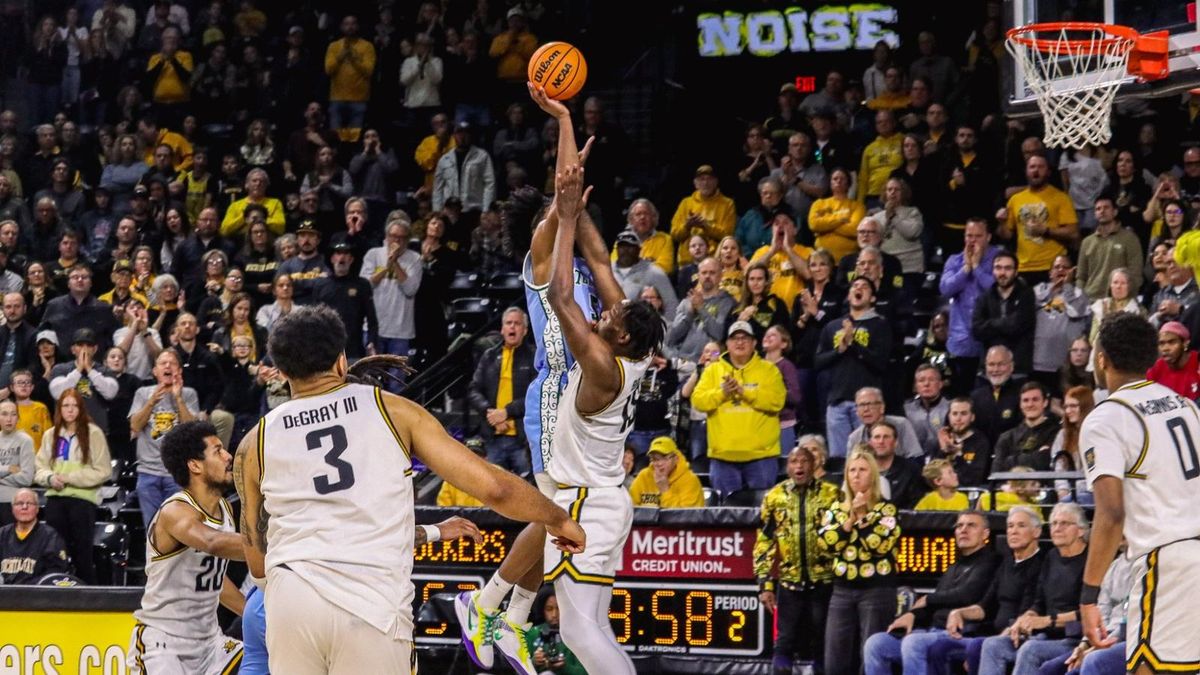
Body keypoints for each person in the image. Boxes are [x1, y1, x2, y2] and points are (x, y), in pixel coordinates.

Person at [233, 305, 585, 673]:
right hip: (369, 602)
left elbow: (257, 560)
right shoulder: (392, 410)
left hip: (292, 602)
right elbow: (494, 488)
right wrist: (557, 517)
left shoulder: (253, 443)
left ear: (282, 371)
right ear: (341, 360)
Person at [527, 162, 663, 675]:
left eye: (611, 317)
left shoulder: (604, 367)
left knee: (579, 630)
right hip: (608, 501)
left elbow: (562, 297)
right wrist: (579, 210)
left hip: (585, 502)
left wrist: (562, 221)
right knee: (595, 627)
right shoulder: (635, 351)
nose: (606, 311)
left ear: (621, 336)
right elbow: (602, 262)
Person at [1081, 312, 1200, 672]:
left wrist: (1090, 594)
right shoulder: (1187, 406)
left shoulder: (1107, 418)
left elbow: (1111, 514)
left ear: (1102, 359)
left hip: (1166, 561)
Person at [125, 419, 244, 673]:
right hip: (163, 644)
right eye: (218, 451)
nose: (228, 456)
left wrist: (251, 613)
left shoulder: (224, 509)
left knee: (262, 661)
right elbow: (211, 543)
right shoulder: (175, 511)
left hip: (210, 644)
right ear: (194, 465)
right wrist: (282, 545)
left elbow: (213, 578)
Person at [863, 510, 1001, 675]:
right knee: (876, 643)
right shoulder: (954, 566)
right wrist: (912, 614)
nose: (963, 530)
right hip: (929, 631)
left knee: (913, 642)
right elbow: (934, 604)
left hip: (960, 633)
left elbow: (967, 594)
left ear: (985, 533)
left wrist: (928, 599)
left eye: (971, 525)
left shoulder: (992, 561)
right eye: (960, 526)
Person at [922, 506, 1046, 674]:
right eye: (1010, 526)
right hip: (990, 633)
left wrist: (998, 638)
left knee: (978, 647)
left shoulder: (1041, 564)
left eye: (1021, 526)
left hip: (1019, 635)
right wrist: (959, 613)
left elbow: (1028, 612)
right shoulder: (1007, 562)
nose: (1013, 531)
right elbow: (983, 606)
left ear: (1036, 532)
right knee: (940, 648)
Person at [755, 445, 840, 675]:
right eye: (794, 462)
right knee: (784, 643)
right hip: (789, 582)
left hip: (824, 581)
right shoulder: (774, 497)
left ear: (814, 465)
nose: (799, 466)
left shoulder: (833, 494)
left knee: (824, 642)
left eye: (804, 461)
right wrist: (765, 583)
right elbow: (764, 542)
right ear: (787, 466)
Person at [978, 503, 1089, 675]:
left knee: (1031, 649)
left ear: (1081, 530)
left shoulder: (1090, 561)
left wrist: (1048, 621)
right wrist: (1025, 619)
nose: (1057, 528)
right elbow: (1038, 602)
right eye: (1054, 524)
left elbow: (1086, 611)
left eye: (1064, 524)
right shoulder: (1051, 557)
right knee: (993, 645)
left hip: (1074, 639)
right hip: (1045, 635)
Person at [818, 449, 901, 675]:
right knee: (834, 658)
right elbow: (826, 544)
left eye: (862, 470)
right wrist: (849, 522)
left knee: (870, 657)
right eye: (852, 470)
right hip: (841, 590)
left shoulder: (887, 509)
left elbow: (878, 547)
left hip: (876, 591)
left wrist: (863, 518)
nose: (856, 475)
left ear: (873, 475)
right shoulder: (836, 509)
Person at [692, 321, 786, 498]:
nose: (740, 342)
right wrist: (723, 393)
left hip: (762, 457)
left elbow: (777, 401)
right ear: (727, 344)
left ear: (754, 343)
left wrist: (744, 392)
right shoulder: (713, 370)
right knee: (725, 516)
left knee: (763, 514)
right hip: (723, 459)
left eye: (745, 338)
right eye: (735, 338)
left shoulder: (769, 370)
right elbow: (698, 401)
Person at [34, 389, 111, 584]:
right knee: (55, 552)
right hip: (55, 500)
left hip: (82, 501)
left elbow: (103, 471)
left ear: (80, 408)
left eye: (74, 405)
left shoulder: (94, 433)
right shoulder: (50, 434)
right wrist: (51, 478)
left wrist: (69, 478)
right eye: (65, 406)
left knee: (82, 554)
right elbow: (39, 469)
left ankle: (87, 597)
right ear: (59, 409)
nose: (70, 410)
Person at [816, 277, 892, 458]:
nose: (858, 288)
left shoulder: (880, 324)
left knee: (868, 457)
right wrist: (840, 350)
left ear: (872, 298)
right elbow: (818, 361)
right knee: (838, 460)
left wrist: (854, 345)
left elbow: (880, 363)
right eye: (854, 286)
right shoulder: (833, 326)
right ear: (849, 295)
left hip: (867, 406)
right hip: (836, 402)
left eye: (864, 286)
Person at [130, 350, 198, 527]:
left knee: (179, 530)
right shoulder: (143, 393)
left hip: (177, 474)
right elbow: (135, 426)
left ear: (179, 371)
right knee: (152, 529)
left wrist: (178, 398)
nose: (167, 366)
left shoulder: (189, 394)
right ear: (155, 371)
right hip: (147, 473)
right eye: (163, 363)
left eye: (172, 363)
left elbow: (191, 430)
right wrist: (151, 402)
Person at [467, 308, 535, 474]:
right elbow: (473, 390)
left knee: (527, 491)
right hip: (493, 437)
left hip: (523, 440)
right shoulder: (489, 356)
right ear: (502, 329)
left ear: (525, 330)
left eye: (517, 323)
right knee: (493, 492)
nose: (512, 327)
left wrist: (507, 412)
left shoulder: (534, 357)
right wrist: (491, 413)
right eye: (508, 323)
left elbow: (536, 396)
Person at [998, 155, 1079, 283]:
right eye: (1032, 167)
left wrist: (1046, 231)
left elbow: (1073, 233)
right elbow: (1007, 235)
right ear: (1026, 171)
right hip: (1023, 267)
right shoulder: (1015, 199)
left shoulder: (1061, 198)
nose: (1036, 170)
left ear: (1048, 172)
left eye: (1041, 167)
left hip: (1052, 268)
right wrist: (1002, 223)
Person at [362, 218, 422, 359]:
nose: (398, 241)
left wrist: (395, 262)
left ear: (408, 240)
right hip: (374, 328)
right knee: (370, 376)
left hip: (400, 331)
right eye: (394, 236)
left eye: (402, 237)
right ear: (387, 237)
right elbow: (366, 286)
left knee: (396, 379)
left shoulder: (415, 259)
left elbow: (410, 290)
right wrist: (386, 268)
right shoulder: (373, 254)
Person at [972, 250, 1037, 376]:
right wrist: (1005, 323)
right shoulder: (984, 297)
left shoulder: (1027, 295)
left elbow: (1017, 326)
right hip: (989, 368)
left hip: (1018, 368)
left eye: (1008, 268)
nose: (1002, 273)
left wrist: (990, 325)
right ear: (993, 271)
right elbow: (976, 330)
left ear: (1016, 272)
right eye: (998, 268)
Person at [312, 241, 377, 361]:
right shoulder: (320, 285)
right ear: (332, 259)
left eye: (346, 253)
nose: (341, 257)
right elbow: (313, 319)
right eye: (338, 253)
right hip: (326, 350)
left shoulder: (362, 285)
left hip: (354, 349)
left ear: (351, 259)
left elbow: (371, 318)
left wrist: (371, 341)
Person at [1075, 196, 1144, 301]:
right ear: (1095, 214)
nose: (1102, 211)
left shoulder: (1129, 238)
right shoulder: (1086, 242)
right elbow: (1081, 276)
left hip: (1120, 300)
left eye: (1106, 207)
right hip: (1091, 300)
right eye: (1098, 209)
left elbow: (1135, 274)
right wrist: (1081, 299)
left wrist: (1128, 298)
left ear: (1115, 212)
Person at [669, 165, 737, 267]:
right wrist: (687, 226)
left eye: (709, 179)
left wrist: (706, 226)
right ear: (695, 183)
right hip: (687, 263)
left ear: (716, 182)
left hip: (715, 262)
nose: (705, 183)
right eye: (701, 179)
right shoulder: (686, 203)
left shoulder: (727, 204)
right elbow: (674, 235)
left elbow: (727, 236)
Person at [0, 488, 69, 583]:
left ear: (37, 509)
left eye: (29, 503)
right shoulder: (3, 534)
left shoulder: (50, 536)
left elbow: (56, 571)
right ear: (12, 509)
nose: (24, 507)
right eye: (19, 503)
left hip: (37, 593)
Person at [990, 381, 1061, 473]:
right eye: (1025, 400)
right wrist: (1037, 455)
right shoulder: (1006, 437)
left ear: (1045, 402)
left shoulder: (1057, 433)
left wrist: (1010, 460)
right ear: (1020, 404)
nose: (1030, 404)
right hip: (1010, 487)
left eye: (1035, 399)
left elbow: (1044, 463)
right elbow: (996, 472)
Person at [627, 436, 704, 508]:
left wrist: (664, 490)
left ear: (676, 458)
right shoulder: (644, 476)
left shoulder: (690, 480)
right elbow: (630, 508)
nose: (659, 464)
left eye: (664, 458)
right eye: (654, 459)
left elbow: (685, 517)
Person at [935, 398, 993, 487]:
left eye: (963, 414)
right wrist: (943, 451)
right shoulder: (943, 438)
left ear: (972, 417)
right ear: (949, 416)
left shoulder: (981, 442)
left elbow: (973, 480)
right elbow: (931, 475)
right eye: (954, 414)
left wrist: (957, 454)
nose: (958, 418)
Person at [528, 590, 586, 675]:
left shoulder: (578, 636)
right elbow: (517, 669)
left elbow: (588, 672)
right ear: (542, 610)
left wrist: (565, 668)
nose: (554, 614)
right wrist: (534, 663)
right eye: (549, 609)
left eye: (559, 608)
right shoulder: (532, 634)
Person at [869, 422, 925, 509]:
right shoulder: (862, 469)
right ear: (871, 443)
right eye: (877, 437)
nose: (881, 441)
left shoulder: (911, 469)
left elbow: (917, 504)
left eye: (886, 437)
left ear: (895, 442)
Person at [0, 400, 34, 525]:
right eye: (4, 414)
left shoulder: (25, 441)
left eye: (13, 414)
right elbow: (15, 473)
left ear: (18, 418)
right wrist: (8, 469)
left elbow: (26, 478)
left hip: (13, 502)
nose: (9, 419)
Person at [1146, 320, 1200, 399]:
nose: (1165, 348)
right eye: (1161, 343)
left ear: (1185, 343)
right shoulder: (1156, 368)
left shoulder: (1197, 362)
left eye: (1172, 342)